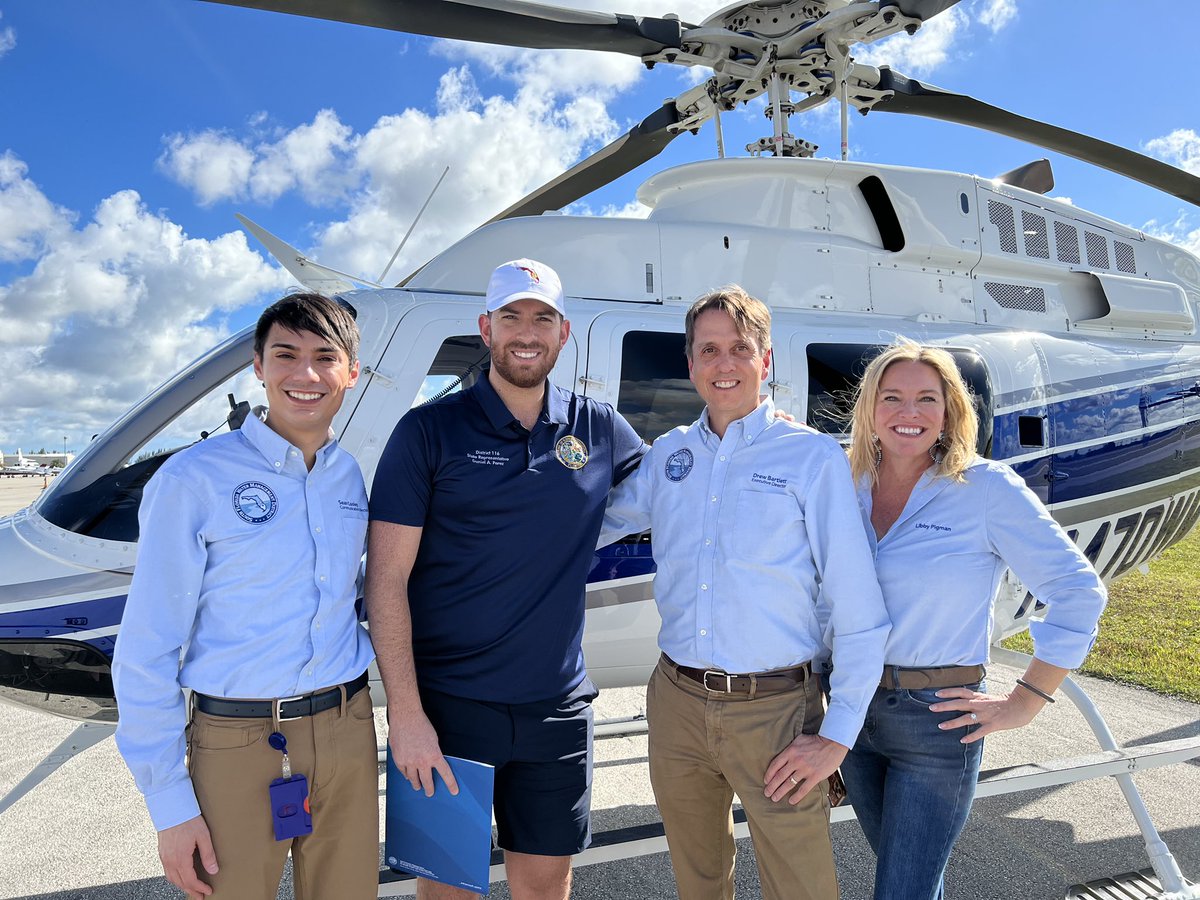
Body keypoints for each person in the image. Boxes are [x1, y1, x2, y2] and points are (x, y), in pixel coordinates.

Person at [598, 286, 891, 900]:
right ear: (690, 364)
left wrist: (836, 737)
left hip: (775, 711)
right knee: (698, 880)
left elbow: (861, 609)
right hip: (676, 701)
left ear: (766, 360)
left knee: (802, 887)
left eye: (739, 348)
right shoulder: (671, 455)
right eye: (709, 350)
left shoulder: (810, 457)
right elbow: (597, 520)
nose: (724, 364)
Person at [366, 258, 646, 900]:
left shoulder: (598, 427)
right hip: (449, 709)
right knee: (448, 889)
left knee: (547, 885)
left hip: (558, 710)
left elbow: (679, 486)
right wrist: (405, 715)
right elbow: (385, 583)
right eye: (513, 317)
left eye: (542, 317)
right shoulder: (427, 431)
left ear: (564, 331)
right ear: (486, 327)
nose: (528, 332)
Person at [112, 293, 379, 900]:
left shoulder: (348, 477)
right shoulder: (192, 479)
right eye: (285, 355)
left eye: (324, 357)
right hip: (237, 741)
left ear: (351, 372)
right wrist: (168, 803)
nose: (305, 375)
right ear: (258, 366)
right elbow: (147, 647)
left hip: (347, 728)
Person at [839, 340, 1108, 900]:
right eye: (891, 397)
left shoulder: (984, 489)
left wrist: (1027, 701)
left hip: (937, 721)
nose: (907, 413)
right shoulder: (845, 485)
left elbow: (1079, 591)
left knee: (902, 891)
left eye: (926, 399)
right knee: (911, 882)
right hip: (850, 712)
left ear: (949, 411)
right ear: (869, 409)